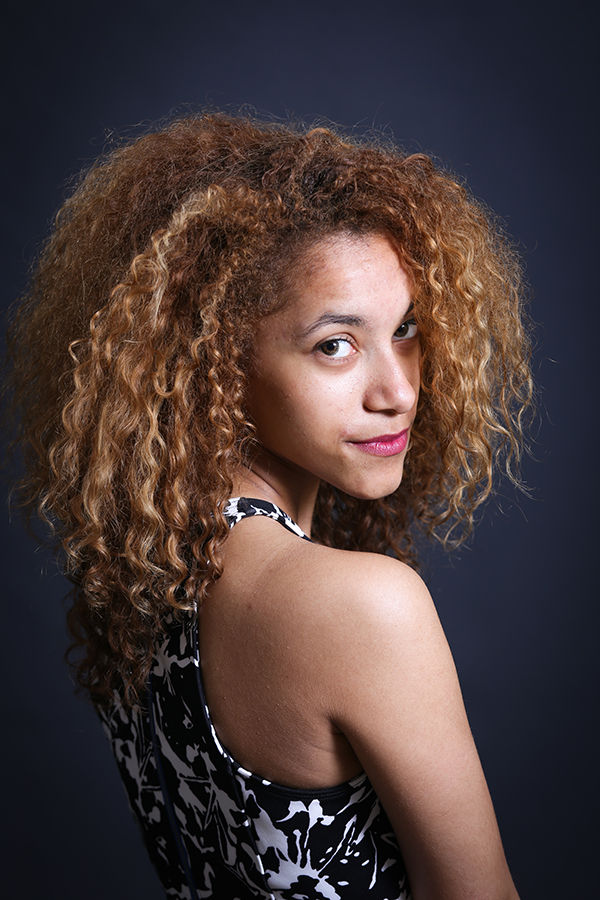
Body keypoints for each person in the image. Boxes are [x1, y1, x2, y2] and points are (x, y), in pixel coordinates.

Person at [4, 112, 533, 899]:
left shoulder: (138, 578)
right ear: (218, 356)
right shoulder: (361, 606)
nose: (397, 389)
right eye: (335, 344)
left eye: (407, 329)